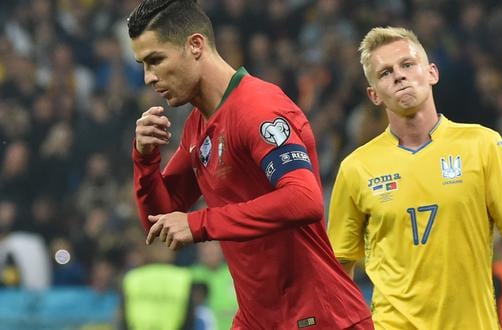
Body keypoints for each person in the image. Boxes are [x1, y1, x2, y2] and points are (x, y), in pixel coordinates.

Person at [127, 0, 373, 329]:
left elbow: (304, 199)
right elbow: (159, 224)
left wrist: (200, 224)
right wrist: (145, 158)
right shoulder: (198, 126)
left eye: (156, 60)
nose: (148, 77)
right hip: (258, 319)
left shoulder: (257, 108)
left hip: (318, 315)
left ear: (195, 45)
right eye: (143, 64)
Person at [327, 26, 502, 329]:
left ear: (431, 73)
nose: (398, 75)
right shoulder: (356, 168)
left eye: (407, 65)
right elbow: (338, 268)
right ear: (374, 95)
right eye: (385, 73)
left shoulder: (482, 145)